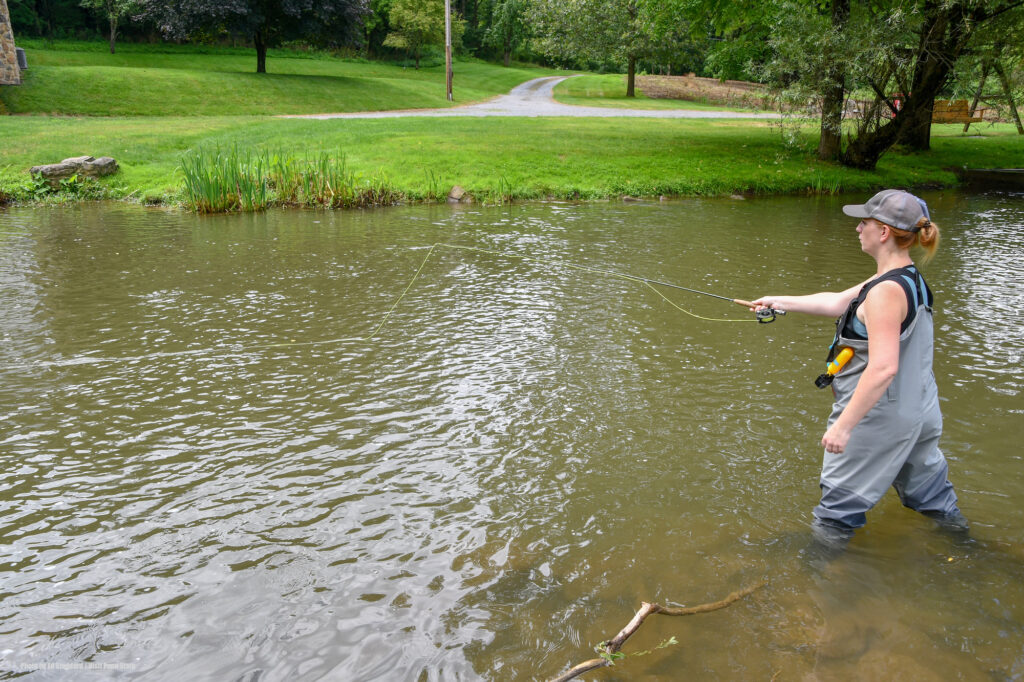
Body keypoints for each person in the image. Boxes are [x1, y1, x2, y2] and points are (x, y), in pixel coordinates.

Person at [753, 189, 968, 547]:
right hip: (921, 410)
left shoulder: (885, 293)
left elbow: (883, 368)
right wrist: (777, 300)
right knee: (933, 498)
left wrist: (844, 426)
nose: (857, 229)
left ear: (883, 232)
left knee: (836, 512)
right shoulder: (905, 278)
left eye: (864, 222)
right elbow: (838, 302)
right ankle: (972, 556)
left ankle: (818, 592)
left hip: (880, 417)